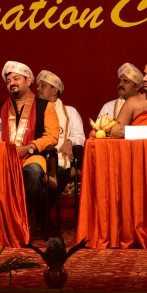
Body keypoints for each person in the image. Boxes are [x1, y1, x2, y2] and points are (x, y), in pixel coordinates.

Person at [0, 61, 60, 225]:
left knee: (34, 171)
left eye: (16, 79)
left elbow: (52, 136)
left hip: (32, 156)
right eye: (8, 81)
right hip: (4, 158)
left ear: (28, 81)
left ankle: (20, 220)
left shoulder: (46, 106)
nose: (11, 83)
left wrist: (30, 148)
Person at [35, 69, 85, 227]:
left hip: (60, 159)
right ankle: (41, 216)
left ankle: (40, 214)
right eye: (38, 86)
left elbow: (80, 136)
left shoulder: (70, 111)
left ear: (54, 90)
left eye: (43, 86)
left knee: (61, 171)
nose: (38, 89)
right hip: (37, 156)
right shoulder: (34, 110)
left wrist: (70, 140)